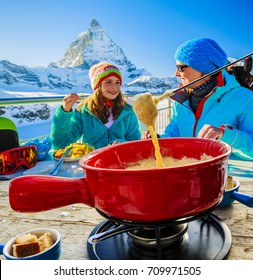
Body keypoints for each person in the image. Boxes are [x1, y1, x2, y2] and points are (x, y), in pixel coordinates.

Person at [143, 38, 253, 160]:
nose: (176, 73)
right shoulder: (180, 100)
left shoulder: (244, 98)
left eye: (180, 67)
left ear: (204, 69)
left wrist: (225, 135)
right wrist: (157, 139)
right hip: (188, 172)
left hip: (226, 174)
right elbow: (174, 134)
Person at [50, 62, 141, 150]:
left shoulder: (128, 112)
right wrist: (65, 111)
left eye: (117, 82)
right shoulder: (83, 111)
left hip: (120, 162)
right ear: (98, 85)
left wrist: (120, 145)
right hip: (92, 163)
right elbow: (61, 145)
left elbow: (135, 143)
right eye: (108, 82)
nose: (114, 87)